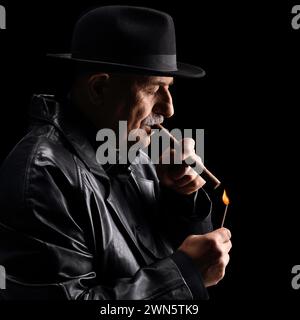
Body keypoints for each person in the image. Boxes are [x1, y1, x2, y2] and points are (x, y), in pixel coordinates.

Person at [0, 5, 231, 300]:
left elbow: (162, 252)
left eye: (169, 88)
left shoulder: (130, 146)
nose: (169, 108)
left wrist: (181, 199)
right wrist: (185, 275)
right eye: (153, 89)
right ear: (99, 89)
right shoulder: (42, 174)